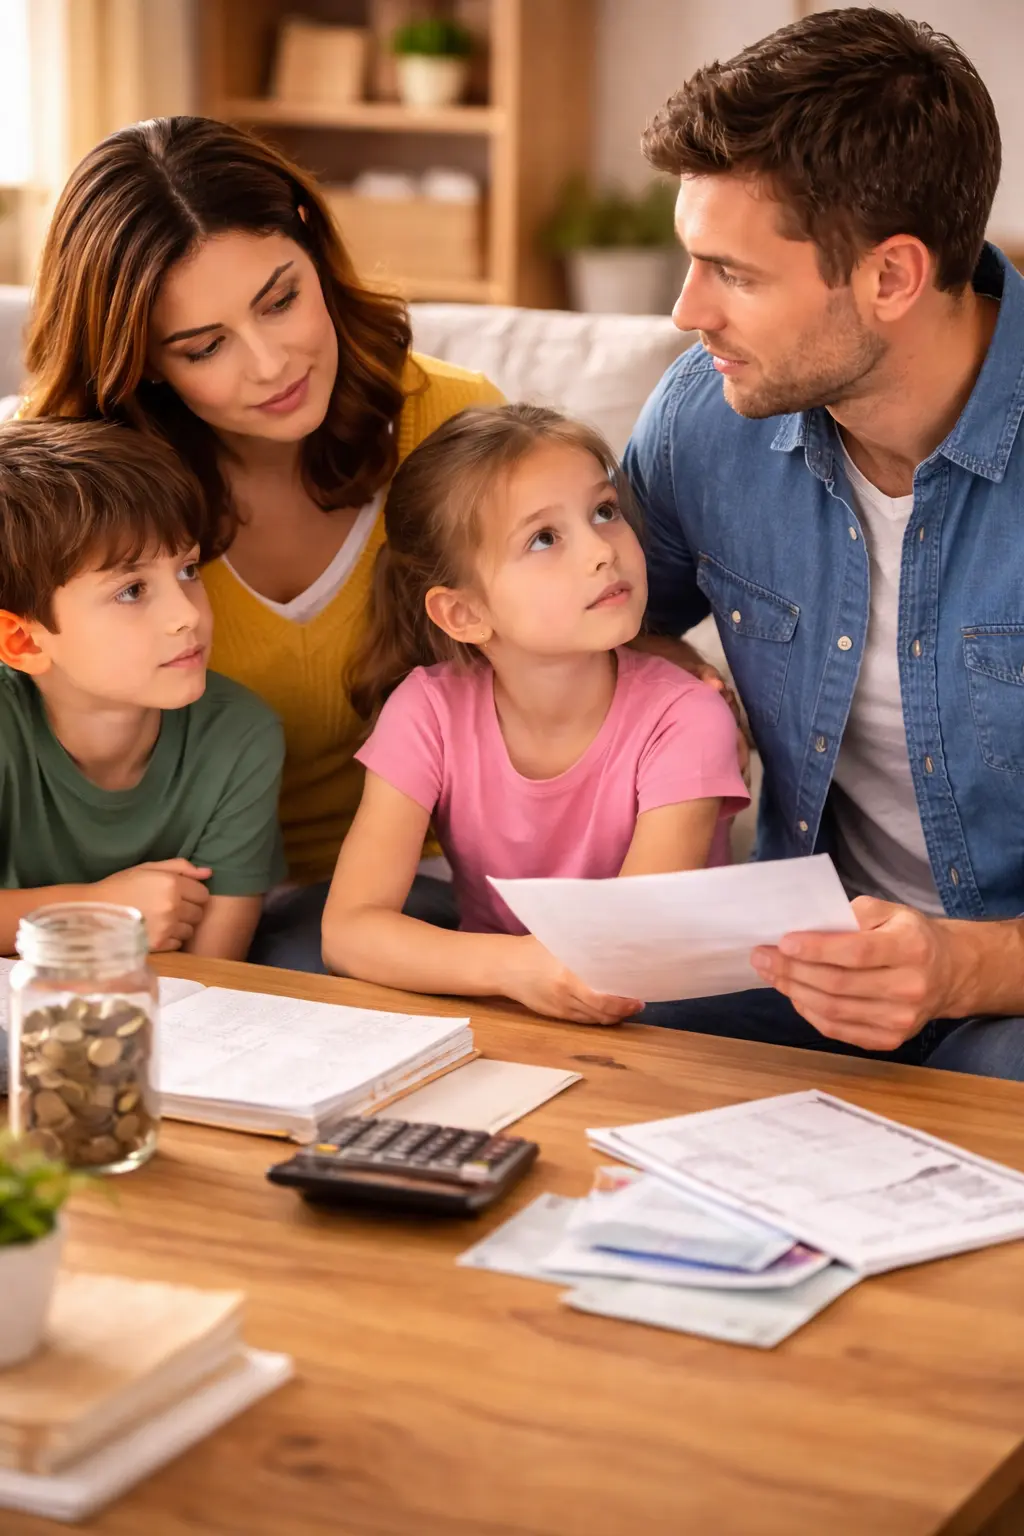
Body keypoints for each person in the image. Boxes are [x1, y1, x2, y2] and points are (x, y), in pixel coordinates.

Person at [624, 7, 1024, 1078]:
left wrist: (960, 968)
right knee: (602, 1039)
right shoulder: (703, 419)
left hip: (1006, 992)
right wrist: (676, 702)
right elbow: (610, 631)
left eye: (733, 274)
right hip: (800, 960)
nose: (683, 312)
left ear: (891, 277)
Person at [21, 115, 503, 972]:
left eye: (280, 299)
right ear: (140, 365)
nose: (271, 363)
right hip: (157, 907)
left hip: (409, 893)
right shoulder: (65, 496)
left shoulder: (453, 426)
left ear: (313, 247)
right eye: (204, 347)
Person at [322, 404, 748, 1019]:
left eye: (604, 511)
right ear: (464, 614)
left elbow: (625, 958)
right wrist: (513, 966)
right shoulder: (426, 710)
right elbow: (348, 932)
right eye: (544, 538)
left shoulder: (686, 717)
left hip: (669, 1024)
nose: (602, 550)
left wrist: (511, 969)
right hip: (506, 1003)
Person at [0, 418, 284, 962]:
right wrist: (93, 911)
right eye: (131, 591)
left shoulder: (240, 735)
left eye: (187, 570)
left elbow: (218, 975)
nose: (186, 616)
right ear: (20, 640)